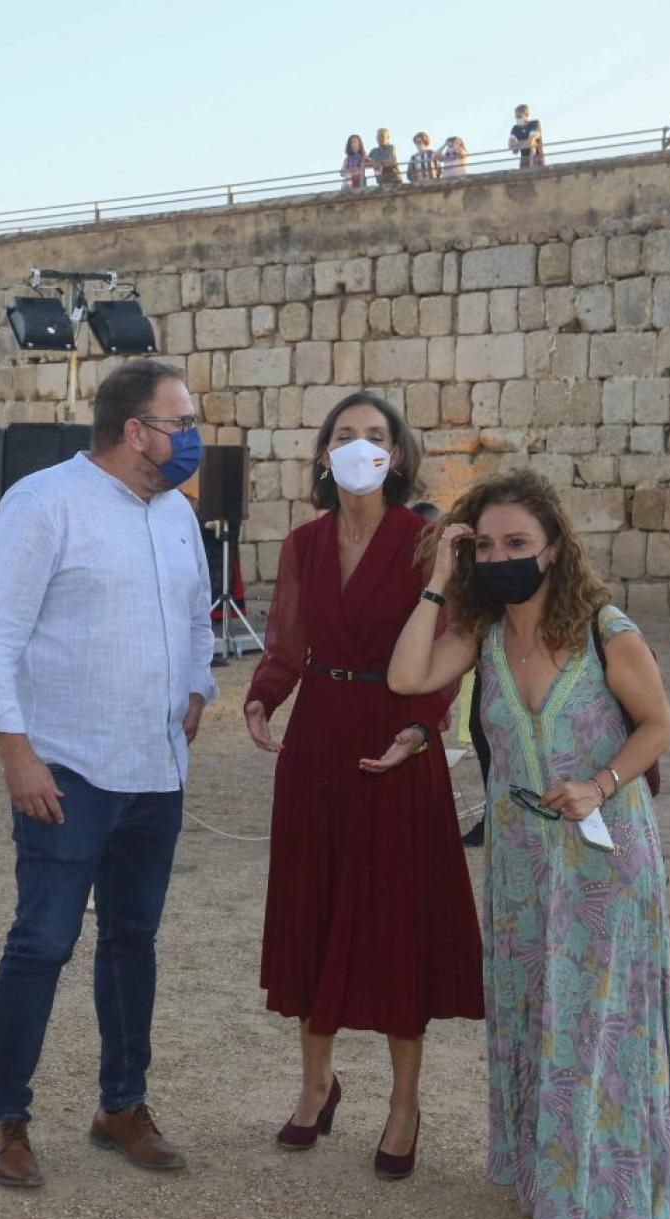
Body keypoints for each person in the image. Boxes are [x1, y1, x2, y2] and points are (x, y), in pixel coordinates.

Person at [386, 469, 670, 1219]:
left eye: (517, 543)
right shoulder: (485, 636)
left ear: (555, 548)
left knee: (601, 1027)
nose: (501, 556)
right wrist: (438, 582)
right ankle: (550, 1183)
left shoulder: (607, 627)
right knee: (536, 1018)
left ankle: (608, 1201)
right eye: (486, 544)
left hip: (603, 855)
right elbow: (405, 677)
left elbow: (658, 726)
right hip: (523, 865)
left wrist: (599, 781)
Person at [0, 358, 216, 1190]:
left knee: (133, 940)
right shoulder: (43, 504)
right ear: (135, 431)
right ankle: (6, 1118)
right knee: (42, 942)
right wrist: (16, 753)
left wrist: (198, 687)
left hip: (155, 771)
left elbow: (195, 614)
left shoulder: (175, 513)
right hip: (65, 769)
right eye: (181, 422)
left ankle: (121, 1106)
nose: (193, 437)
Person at [244, 392, 483, 1178]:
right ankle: (316, 1086)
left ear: (398, 454)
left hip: (396, 740)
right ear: (322, 454)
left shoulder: (425, 543)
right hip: (318, 742)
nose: (359, 447)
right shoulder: (306, 544)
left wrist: (423, 726)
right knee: (314, 910)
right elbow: (290, 638)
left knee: (394, 925)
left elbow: (449, 646)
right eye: (343, 436)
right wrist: (263, 695)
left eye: (374, 436)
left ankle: (405, 1104)